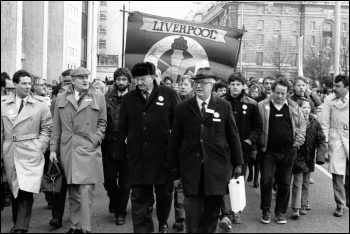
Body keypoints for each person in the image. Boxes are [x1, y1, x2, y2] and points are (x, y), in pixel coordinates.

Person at [168, 67, 244, 233]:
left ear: (212, 85)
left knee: (211, 213)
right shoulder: (183, 107)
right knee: (192, 212)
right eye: (197, 83)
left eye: (203, 83)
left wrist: (238, 164)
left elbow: (233, 136)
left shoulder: (223, 106)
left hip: (216, 168)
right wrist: (173, 171)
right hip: (191, 168)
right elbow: (175, 140)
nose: (199, 86)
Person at [115, 62, 180, 233]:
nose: (139, 83)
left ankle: (163, 221)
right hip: (138, 159)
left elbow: (179, 127)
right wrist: (120, 155)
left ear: (153, 77)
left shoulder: (169, 94)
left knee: (164, 196)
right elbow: (121, 129)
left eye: (143, 79)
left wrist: (177, 158)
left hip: (163, 158)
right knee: (139, 200)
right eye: (136, 80)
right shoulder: (129, 99)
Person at [50, 67, 107, 233]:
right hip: (69, 147)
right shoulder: (61, 97)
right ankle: (75, 226)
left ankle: (86, 228)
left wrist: (96, 138)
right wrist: (53, 149)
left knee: (86, 190)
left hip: (88, 147)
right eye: (81, 77)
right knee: (73, 190)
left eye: (86, 77)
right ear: (72, 80)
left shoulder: (98, 96)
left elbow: (103, 122)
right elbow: (56, 126)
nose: (85, 80)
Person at [1, 69, 52, 233]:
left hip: (31, 150)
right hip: (11, 150)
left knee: (26, 189)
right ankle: (18, 223)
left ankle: (21, 227)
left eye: (29, 83)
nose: (27, 86)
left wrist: (40, 146)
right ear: (15, 84)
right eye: (23, 83)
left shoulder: (40, 105)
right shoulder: (3, 105)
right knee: (15, 188)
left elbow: (47, 129)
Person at [258, 78, 306, 224]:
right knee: (266, 181)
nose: (279, 96)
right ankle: (266, 210)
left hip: (288, 151)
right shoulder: (262, 106)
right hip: (268, 151)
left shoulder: (294, 107)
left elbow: (302, 124)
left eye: (283, 93)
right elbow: (256, 125)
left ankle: (280, 212)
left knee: (285, 182)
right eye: (277, 93)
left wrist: (299, 139)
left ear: (287, 93)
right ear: (272, 91)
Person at [219, 72, 263, 229]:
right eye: (232, 84)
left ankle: (236, 211)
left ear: (243, 86)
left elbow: (258, 127)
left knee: (237, 181)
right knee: (224, 180)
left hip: (243, 150)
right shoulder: (220, 102)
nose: (235, 87)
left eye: (238, 84)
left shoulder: (251, 103)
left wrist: (249, 141)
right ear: (228, 86)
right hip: (223, 149)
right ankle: (225, 213)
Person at [102, 67, 132, 226]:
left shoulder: (134, 98)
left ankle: (121, 212)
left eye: (124, 79)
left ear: (129, 81)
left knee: (126, 184)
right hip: (109, 146)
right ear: (115, 80)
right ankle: (114, 200)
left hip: (128, 149)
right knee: (109, 180)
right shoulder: (105, 98)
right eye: (118, 79)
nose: (121, 82)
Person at [291, 98, 326, 219]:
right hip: (297, 155)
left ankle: (303, 204)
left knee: (306, 183)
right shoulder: (294, 121)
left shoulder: (314, 122)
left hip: (309, 156)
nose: (306, 110)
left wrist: (320, 156)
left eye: (308, 107)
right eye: (303, 107)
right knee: (297, 182)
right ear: (298, 108)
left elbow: (321, 139)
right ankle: (296, 208)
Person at [320, 74, 349, 217]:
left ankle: (346, 198)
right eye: (334, 85)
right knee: (337, 174)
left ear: (346, 87)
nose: (335, 88)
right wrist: (325, 141)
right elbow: (324, 122)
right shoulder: (329, 100)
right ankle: (340, 205)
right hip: (336, 138)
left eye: (338, 86)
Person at [47, 75, 72, 229]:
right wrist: (52, 149)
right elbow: (53, 125)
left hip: (77, 149)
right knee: (59, 184)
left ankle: (77, 219)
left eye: (70, 82)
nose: (68, 86)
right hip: (61, 147)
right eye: (66, 83)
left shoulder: (86, 98)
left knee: (76, 187)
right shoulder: (57, 101)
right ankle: (57, 217)